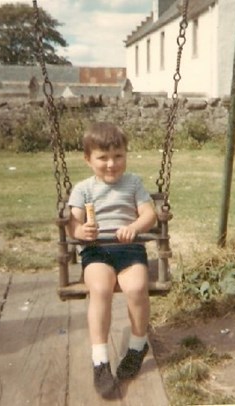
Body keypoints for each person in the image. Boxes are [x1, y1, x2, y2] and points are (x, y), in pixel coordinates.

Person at [67, 121, 157, 398]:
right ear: (88, 159)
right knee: (101, 290)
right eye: (102, 158)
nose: (111, 164)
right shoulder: (83, 189)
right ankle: (100, 360)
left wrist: (135, 227)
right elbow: (72, 224)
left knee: (137, 288)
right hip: (97, 251)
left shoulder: (133, 183)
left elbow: (149, 214)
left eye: (118, 156)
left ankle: (137, 345)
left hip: (129, 248)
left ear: (126, 155)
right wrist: (81, 231)